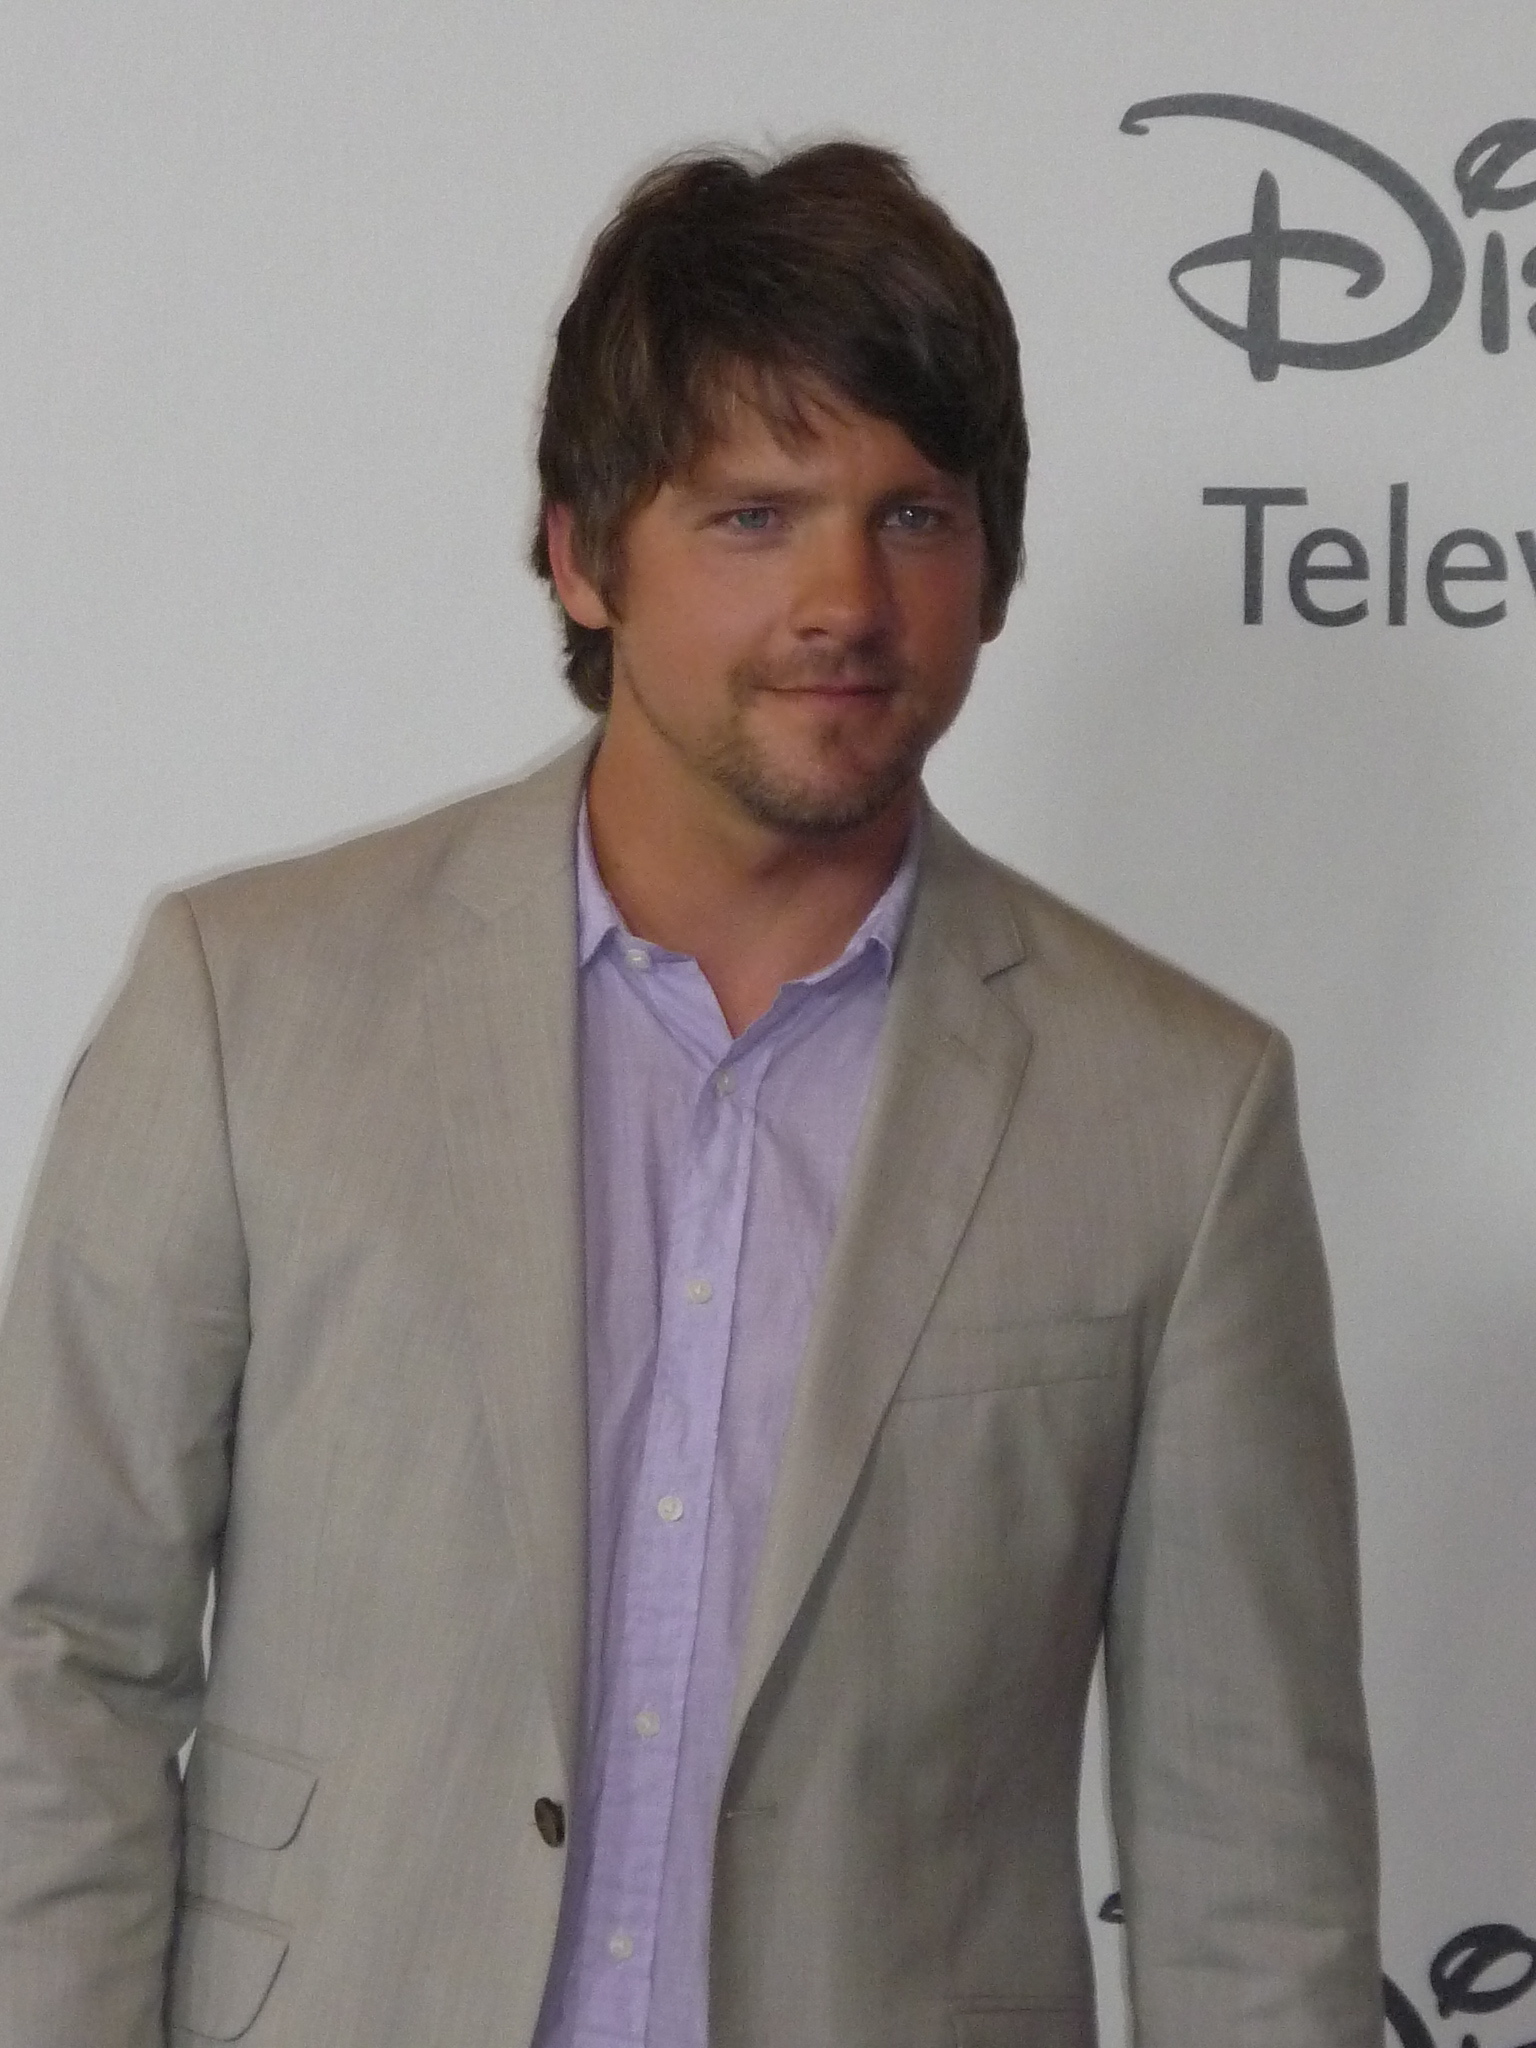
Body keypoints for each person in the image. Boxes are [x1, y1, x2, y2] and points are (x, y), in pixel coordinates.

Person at [0, 141, 1380, 2048]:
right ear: (581, 548)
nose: (845, 599)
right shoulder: (249, 1003)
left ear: (992, 567)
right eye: (753, 516)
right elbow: (55, 1652)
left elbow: (1253, 1848)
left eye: (914, 517)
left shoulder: (1181, 1112)